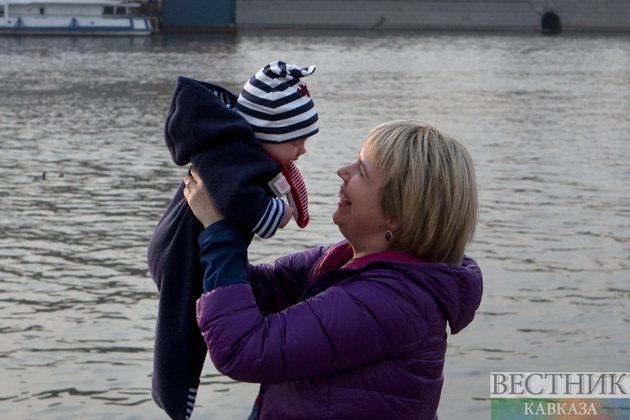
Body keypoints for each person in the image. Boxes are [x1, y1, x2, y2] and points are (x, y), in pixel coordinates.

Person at [183, 120, 484, 420]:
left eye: (361, 172)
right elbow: (254, 288)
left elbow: (244, 349)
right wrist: (231, 197)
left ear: (395, 214)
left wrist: (220, 233)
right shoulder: (344, 261)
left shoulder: (390, 300)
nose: (343, 171)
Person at [147, 61, 318, 420]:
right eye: (296, 140)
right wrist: (277, 214)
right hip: (182, 250)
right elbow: (237, 202)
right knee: (182, 326)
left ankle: (177, 395)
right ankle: (177, 398)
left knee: (191, 317)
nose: (302, 150)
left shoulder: (239, 150)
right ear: (268, 134)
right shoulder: (231, 157)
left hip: (183, 242)